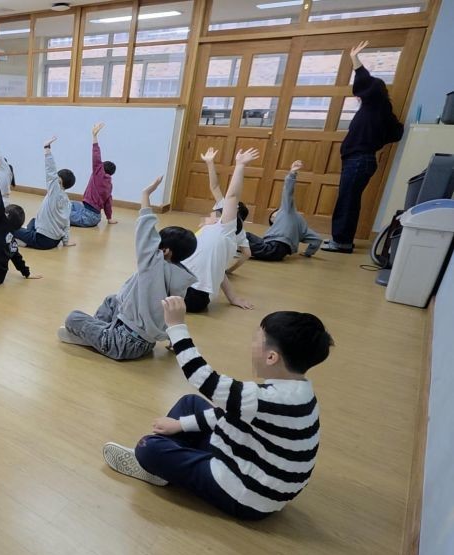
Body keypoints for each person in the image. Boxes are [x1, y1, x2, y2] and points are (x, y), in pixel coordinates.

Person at [102, 296, 332, 520]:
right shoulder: (298, 391)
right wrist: (180, 425)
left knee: (147, 448)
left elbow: (201, 376)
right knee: (189, 404)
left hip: (246, 496)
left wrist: (176, 325)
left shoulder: (261, 399)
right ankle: (173, 459)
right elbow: (233, 413)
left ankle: (160, 465)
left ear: (272, 357)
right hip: (258, 472)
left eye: (256, 340)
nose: (251, 344)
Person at [58, 176, 197, 360]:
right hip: (144, 342)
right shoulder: (181, 278)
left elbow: (145, 229)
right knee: (112, 300)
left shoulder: (153, 263)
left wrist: (146, 194)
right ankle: (97, 333)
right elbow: (174, 315)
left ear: (165, 251)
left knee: (72, 318)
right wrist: (175, 338)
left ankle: (95, 337)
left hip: (122, 343)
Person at [326, 41, 404, 253]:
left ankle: (341, 242)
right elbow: (396, 132)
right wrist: (376, 140)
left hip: (360, 160)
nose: (358, 96)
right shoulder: (381, 111)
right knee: (348, 200)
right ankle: (341, 239)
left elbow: (367, 83)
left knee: (348, 201)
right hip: (362, 160)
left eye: (362, 93)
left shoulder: (374, 104)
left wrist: (355, 61)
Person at [182, 148, 258, 312]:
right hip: (191, 294)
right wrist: (210, 163)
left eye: (216, 213)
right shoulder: (223, 232)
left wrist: (240, 165)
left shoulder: (225, 228)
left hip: (189, 293)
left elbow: (232, 196)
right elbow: (215, 187)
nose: (212, 213)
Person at [247, 160, 323, 261]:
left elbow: (288, 192)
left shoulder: (287, 210)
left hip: (272, 248)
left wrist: (292, 173)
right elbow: (317, 240)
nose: (273, 217)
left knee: (243, 236)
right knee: (245, 239)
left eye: (273, 216)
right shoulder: (302, 229)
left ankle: (233, 249)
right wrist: (308, 253)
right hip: (279, 254)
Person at [13, 136, 75, 250]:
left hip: (42, 240)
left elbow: (50, 171)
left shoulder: (55, 192)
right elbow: (66, 222)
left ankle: (26, 241)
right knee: (33, 221)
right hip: (54, 241)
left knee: (10, 228)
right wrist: (66, 241)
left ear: (60, 183)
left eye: (57, 179)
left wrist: (47, 148)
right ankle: (26, 239)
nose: (54, 180)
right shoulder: (67, 202)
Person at [199, 148, 251, 273]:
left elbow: (217, 188)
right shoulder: (224, 208)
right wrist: (210, 163)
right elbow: (214, 186)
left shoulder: (232, 224)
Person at [70, 123, 118, 228]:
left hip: (88, 217)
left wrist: (94, 136)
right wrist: (109, 218)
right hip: (95, 217)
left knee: (62, 214)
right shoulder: (109, 186)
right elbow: (108, 203)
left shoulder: (98, 173)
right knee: (70, 204)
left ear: (101, 168)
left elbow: (96, 156)